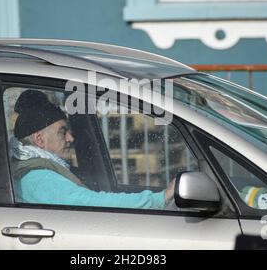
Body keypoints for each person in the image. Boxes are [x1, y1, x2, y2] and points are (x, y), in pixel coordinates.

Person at [9, 89, 175, 209]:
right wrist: (161, 198)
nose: (70, 138)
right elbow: (94, 204)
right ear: (39, 139)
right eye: (62, 132)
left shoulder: (39, 168)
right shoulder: (38, 178)